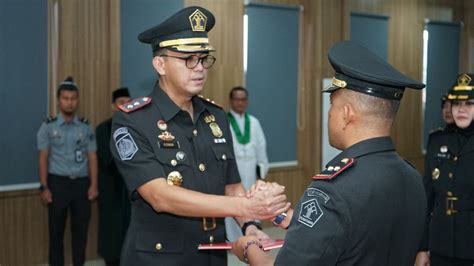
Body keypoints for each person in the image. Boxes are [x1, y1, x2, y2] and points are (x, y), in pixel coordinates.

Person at [109, 6, 289, 266]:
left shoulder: (215, 117)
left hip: (212, 254)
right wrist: (244, 208)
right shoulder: (132, 119)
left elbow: (232, 185)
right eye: (188, 59)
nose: (200, 67)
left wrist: (249, 226)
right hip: (159, 259)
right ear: (160, 64)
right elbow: (159, 196)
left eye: (204, 58)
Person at [231, 41, 427, 265]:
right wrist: (285, 216)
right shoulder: (411, 177)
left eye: (332, 104)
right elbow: (357, 233)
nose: (329, 114)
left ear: (346, 114)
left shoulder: (331, 191)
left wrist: (248, 248)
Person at [37, 76, 98, 266]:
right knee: (56, 235)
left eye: (73, 98)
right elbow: (43, 157)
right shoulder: (48, 126)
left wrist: (94, 185)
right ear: (58, 100)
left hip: (81, 185)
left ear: (77, 100)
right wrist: (44, 187)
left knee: (80, 235)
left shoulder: (86, 126)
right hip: (57, 184)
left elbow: (92, 157)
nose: (69, 102)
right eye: (65, 98)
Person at [416, 73, 474, 266]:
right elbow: (427, 199)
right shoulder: (437, 141)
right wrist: (422, 248)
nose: (461, 110)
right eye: (457, 104)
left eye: (469, 104)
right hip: (440, 243)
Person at [225, 86, 269, 242]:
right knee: (234, 204)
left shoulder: (254, 122)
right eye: (237, 99)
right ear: (231, 101)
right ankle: (233, 239)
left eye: (243, 99)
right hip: (231, 175)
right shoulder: (223, 122)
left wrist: (262, 172)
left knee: (251, 202)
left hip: (251, 174)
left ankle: (253, 235)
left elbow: (261, 148)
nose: (240, 102)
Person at [96, 87, 131, 266]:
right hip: (111, 189)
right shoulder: (103, 129)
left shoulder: (137, 127)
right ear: (113, 105)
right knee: (112, 236)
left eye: (128, 102)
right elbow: (107, 159)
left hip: (131, 190)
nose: (125, 105)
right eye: (121, 102)